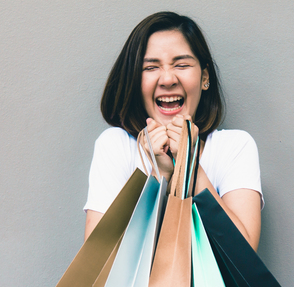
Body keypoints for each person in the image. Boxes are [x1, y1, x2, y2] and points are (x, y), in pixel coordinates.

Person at [83, 11, 263, 251]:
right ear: (135, 82)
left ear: (204, 77)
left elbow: (245, 254)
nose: (167, 79)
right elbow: (98, 260)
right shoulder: (114, 146)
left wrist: (189, 168)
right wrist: (161, 177)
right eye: (151, 67)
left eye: (182, 64)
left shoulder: (235, 146)